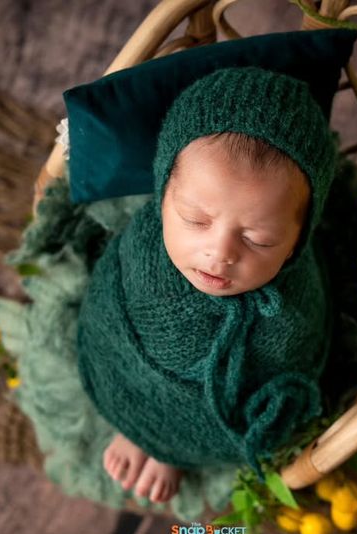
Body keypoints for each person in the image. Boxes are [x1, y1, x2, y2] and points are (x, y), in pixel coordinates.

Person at [76, 67, 337, 505]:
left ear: (297, 241)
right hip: (129, 380)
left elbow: (295, 372)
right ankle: (140, 429)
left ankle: (174, 451)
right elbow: (107, 323)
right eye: (195, 220)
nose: (220, 253)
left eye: (259, 239)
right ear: (162, 193)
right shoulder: (141, 255)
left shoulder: (295, 306)